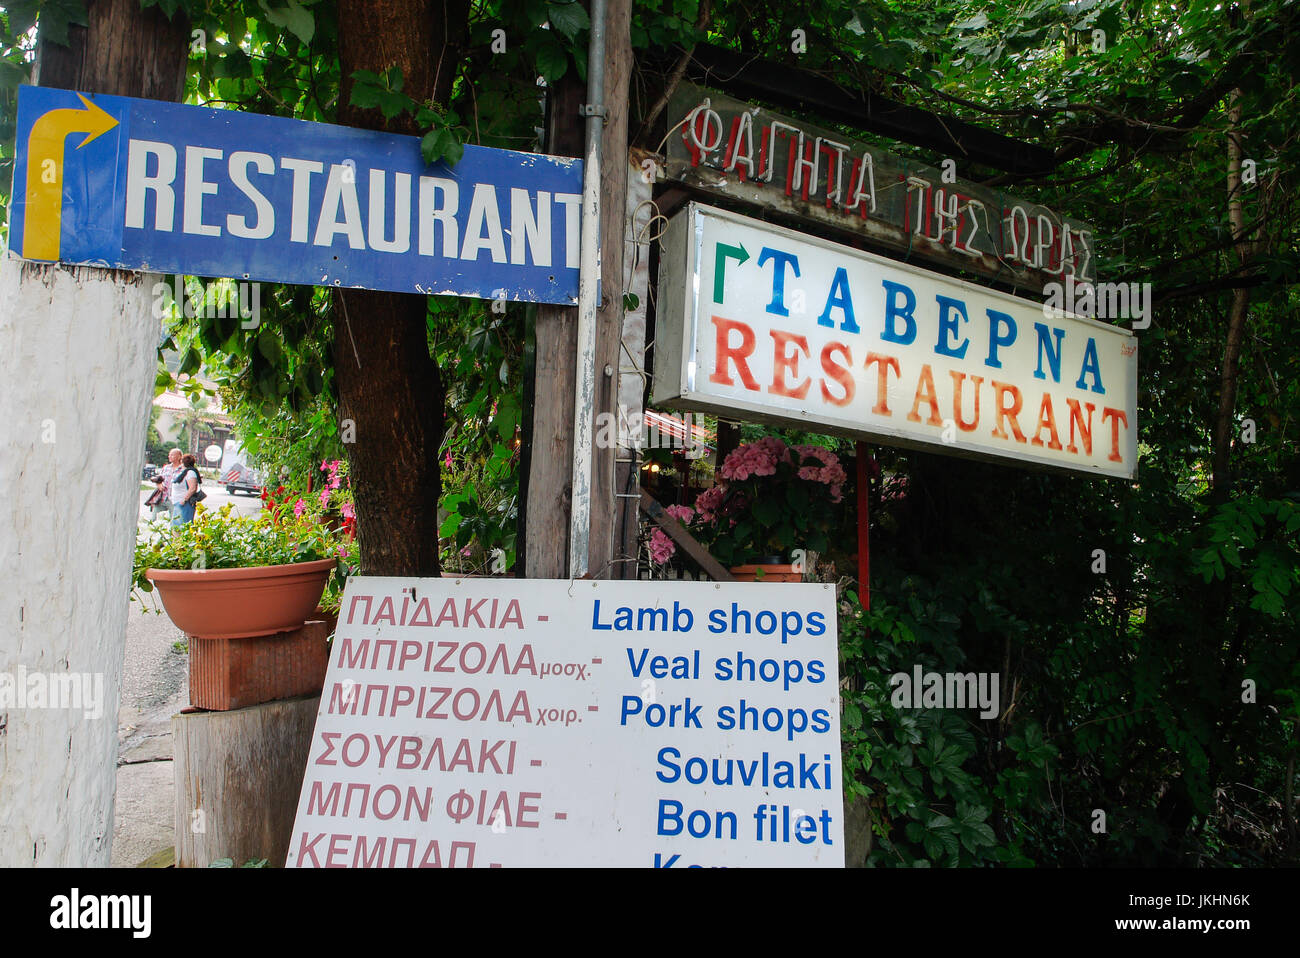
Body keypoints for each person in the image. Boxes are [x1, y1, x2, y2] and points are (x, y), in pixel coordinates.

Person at [172, 454, 202, 526]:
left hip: (185, 504)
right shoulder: (185, 472)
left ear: (183, 463)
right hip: (178, 502)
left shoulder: (190, 473)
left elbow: (193, 488)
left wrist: (184, 499)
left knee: (181, 526)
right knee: (176, 526)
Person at [159, 448, 183, 522]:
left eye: (172, 455)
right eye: (169, 455)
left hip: (175, 501)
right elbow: (158, 479)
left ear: (179, 457)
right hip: (162, 498)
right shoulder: (166, 467)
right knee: (155, 521)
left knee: (174, 523)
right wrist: (159, 484)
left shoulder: (183, 469)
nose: (169, 456)